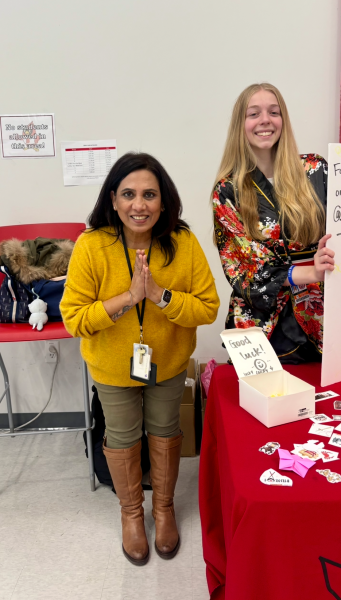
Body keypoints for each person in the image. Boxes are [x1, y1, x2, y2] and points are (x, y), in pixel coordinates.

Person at [61, 152, 219, 566]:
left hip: (166, 363)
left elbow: (207, 308)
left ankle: (162, 509)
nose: (139, 204)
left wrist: (158, 296)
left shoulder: (182, 243)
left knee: (166, 432)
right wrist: (128, 299)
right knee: (123, 436)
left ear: (163, 202)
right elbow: (74, 319)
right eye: (129, 194)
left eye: (150, 194)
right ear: (113, 199)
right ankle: (131, 514)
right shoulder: (91, 246)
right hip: (112, 368)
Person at [212, 83, 335, 364]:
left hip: (322, 317)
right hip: (261, 328)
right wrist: (310, 273)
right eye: (253, 114)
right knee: (264, 405)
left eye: (274, 112)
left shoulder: (317, 170)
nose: (265, 120)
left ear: (283, 121)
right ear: (240, 126)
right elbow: (244, 268)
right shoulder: (228, 190)